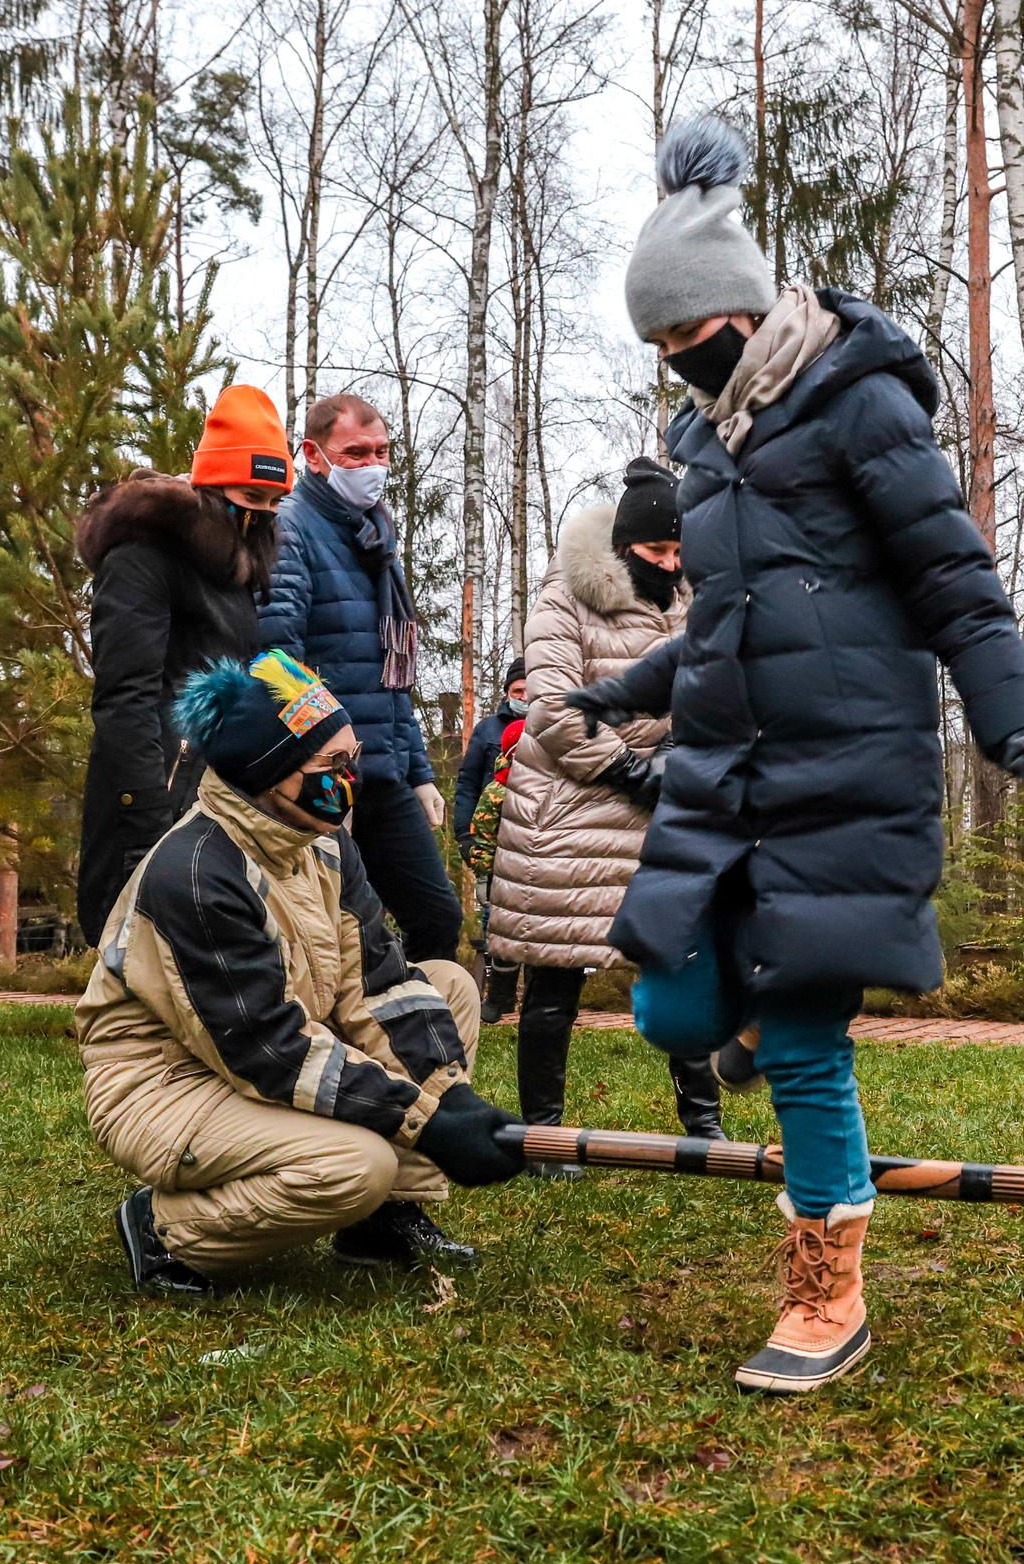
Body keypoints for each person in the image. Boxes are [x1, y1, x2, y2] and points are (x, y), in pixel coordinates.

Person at [568, 119, 1024, 1395]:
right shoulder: (701, 450)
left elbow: (954, 581)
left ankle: (827, 1293)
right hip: (723, 774)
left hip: (845, 765)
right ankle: (756, 1027)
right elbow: (725, 620)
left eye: (684, 338)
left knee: (805, 1044)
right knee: (670, 1006)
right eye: (654, 349)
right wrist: (629, 690)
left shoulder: (859, 400)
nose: (676, 365)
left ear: (740, 314)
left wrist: (1011, 714)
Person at [76, 651, 526, 1296]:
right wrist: (423, 1121)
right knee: (354, 1164)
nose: (349, 779)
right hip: (166, 1080)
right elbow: (267, 1049)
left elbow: (377, 984)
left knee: (444, 985)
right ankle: (164, 1228)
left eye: (352, 759)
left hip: (263, 1048)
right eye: (330, 766)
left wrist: (448, 1097)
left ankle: (383, 1219)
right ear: (268, 771)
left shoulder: (322, 841)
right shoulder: (197, 874)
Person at [488, 462, 720, 1137]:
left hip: (664, 801)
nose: (670, 564)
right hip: (571, 803)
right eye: (656, 552)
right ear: (623, 547)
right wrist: (630, 771)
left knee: (682, 961)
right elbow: (554, 710)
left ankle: (703, 1123)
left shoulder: (689, 599)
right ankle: (547, 1130)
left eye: (679, 552)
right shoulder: (565, 597)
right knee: (556, 972)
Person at [76, 384, 291, 944]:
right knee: (142, 950)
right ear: (215, 483)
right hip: (158, 790)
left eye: (273, 502)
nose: (261, 514)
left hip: (222, 791)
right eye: (252, 495)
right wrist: (149, 819)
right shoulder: (142, 556)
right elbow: (125, 700)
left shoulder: (236, 571)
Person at [257, 394, 462, 962]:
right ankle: (342, 1046)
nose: (373, 465)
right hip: (328, 776)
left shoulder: (377, 541)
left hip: (387, 773)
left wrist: (419, 772)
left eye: (382, 452)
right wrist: (314, 765)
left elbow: (391, 679)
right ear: (313, 455)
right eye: (355, 453)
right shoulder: (291, 530)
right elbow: (279, 662)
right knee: (336, 937)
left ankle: (420, 1043)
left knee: (437, 918)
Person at [454, 657, 529, 1021]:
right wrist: (465, 835)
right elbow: (468, 784)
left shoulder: (553, 726)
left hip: (539, 848)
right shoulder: (486, 731)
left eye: (531, 691)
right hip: (494, 845)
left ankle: (540, 1001)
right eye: (518, 691)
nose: (524, 697)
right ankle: (497, 999)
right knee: (496, 925)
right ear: (507, 693)